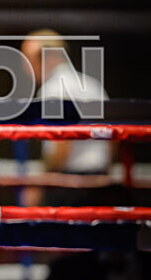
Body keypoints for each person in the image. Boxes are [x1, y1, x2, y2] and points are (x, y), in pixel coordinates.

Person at [20, 29, 113, 206]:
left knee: (58, 232)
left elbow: (61, 145)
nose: (26, 67)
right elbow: (113, 139)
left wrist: (41, 183)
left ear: (49, 56)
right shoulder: (92, 84)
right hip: (101, 180)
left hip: (68, 184)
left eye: (29, 59)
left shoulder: (53, 89)